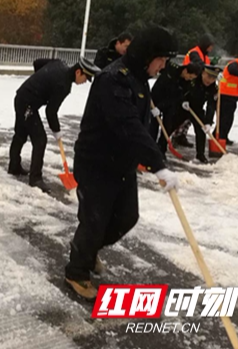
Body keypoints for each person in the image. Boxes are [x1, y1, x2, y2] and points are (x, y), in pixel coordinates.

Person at [65, 26, 179, 300]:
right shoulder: (113, 79)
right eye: (161, 58)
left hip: (121, 164)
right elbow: (127, 125)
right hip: (97, 163)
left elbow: (138, 123)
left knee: (127, 217)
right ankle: (76, 271)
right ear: (147, 55)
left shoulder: (139, 79)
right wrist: (157, 163)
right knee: (94, 221)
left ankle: (87, 250)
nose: (163, 65)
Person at [8, 57, 100, 193]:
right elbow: (51, 111)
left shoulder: (60, 63)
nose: (84, 82)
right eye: (86, 78)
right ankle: (35, 179)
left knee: (21, 133)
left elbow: (37, 63)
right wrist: (56, 131)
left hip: (22, 97)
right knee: (40, 140)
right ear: (78, 72)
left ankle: (14, 166)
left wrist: (39, 83)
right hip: (27, 105)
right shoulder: (63, 85)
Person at [150, 60, 202, 158]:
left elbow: (178, 95)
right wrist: (157, 107)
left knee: (168, 125)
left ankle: (162, 150)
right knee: (153, 127)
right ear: (186, 71)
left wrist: (184, 101)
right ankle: (150, 151)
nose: (189, 79)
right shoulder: (171, 72)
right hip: (156, 99)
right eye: (190, 77)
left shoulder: (187, 81)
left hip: (171, 103)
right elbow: (159, 89)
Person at [175, 66, 222, 163]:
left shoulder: (213, 88)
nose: (210, 80)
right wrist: (183, 100)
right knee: (170, 125)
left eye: (213, 78)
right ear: (203, 73)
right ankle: (160, 147)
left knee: (201, 130)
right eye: (208, 77)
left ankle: (200, 155)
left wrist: (208, 122)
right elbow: (180, 90)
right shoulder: (193, 79)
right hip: (182, 106)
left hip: (197, 109)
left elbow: (211, 105)